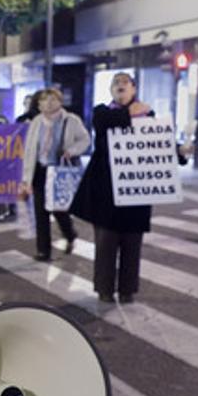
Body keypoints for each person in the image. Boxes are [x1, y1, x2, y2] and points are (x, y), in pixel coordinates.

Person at [70, 72, 153, 303]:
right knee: (105, 243)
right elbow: (104, 124)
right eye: (116, 83)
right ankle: (104, 288)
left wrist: (180, 153)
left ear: (134, 89)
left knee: (132, 243)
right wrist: (129, 113)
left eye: (125, 82)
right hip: (106, 190)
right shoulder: (102, 112)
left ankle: (128, 289)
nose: (120, 85)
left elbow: (158, 145)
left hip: (137, 189)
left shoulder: (148, 115)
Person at [19, 88, 90, 260]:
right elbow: (29, 151)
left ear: (60, 102)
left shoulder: (71, 120)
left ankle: (70, 234)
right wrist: (26, 179)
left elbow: (85, 139)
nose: (48, 103)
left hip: (59, 171)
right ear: (39, 104)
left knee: (59, 210)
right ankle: (43, 250)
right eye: (44, 100)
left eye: (53, 99)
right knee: (40, 212)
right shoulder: (36, 121)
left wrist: (72, 151)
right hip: (40, 171)